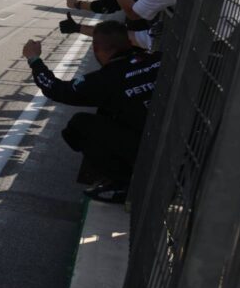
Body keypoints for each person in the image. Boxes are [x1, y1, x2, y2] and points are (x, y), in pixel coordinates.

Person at [22, 20, 161, 202]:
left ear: (96, 49)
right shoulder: (158, 59)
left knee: (79, 125)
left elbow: (56, 89)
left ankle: (123, 184)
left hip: (150, 148)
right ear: (129, 42)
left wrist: (34, 59)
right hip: (180, 138)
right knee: (108, 111)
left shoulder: (105, 79)